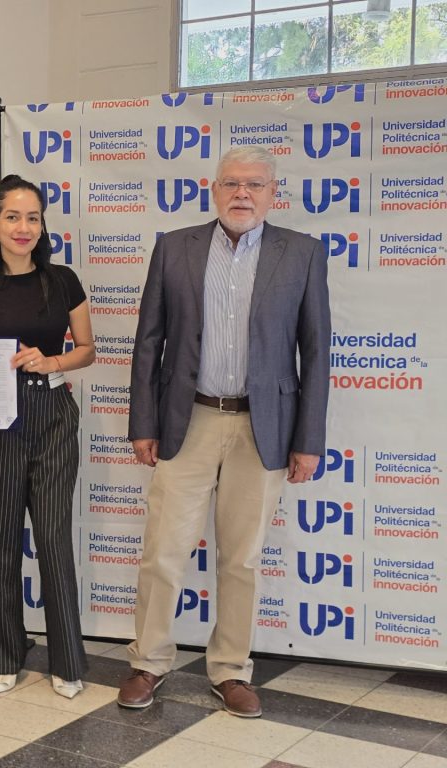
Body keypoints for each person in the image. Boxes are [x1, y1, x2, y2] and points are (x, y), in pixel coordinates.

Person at [120, 146, 331, 717]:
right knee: (163, 551)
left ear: (273, 194)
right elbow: (148, 342)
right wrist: (143, 422)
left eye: (255, 185)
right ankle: (148, 662)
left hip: (264, 428)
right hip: (186, 420)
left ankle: (232, 669)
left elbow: (316, 351)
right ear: (214, 190)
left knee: (242, 559)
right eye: (232, 183)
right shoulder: (175, 247)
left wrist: (308, 439)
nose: (242, 194)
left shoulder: (303, 253)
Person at [0, 174, 95, 699]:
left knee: (54, 538)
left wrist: (52, 360)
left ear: (42, 226)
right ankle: (0, 653)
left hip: (52, 413)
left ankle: (67, 660)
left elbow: (87, 349)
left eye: (32, 217)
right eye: (12, 217)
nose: (23, 227)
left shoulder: (63, 281)